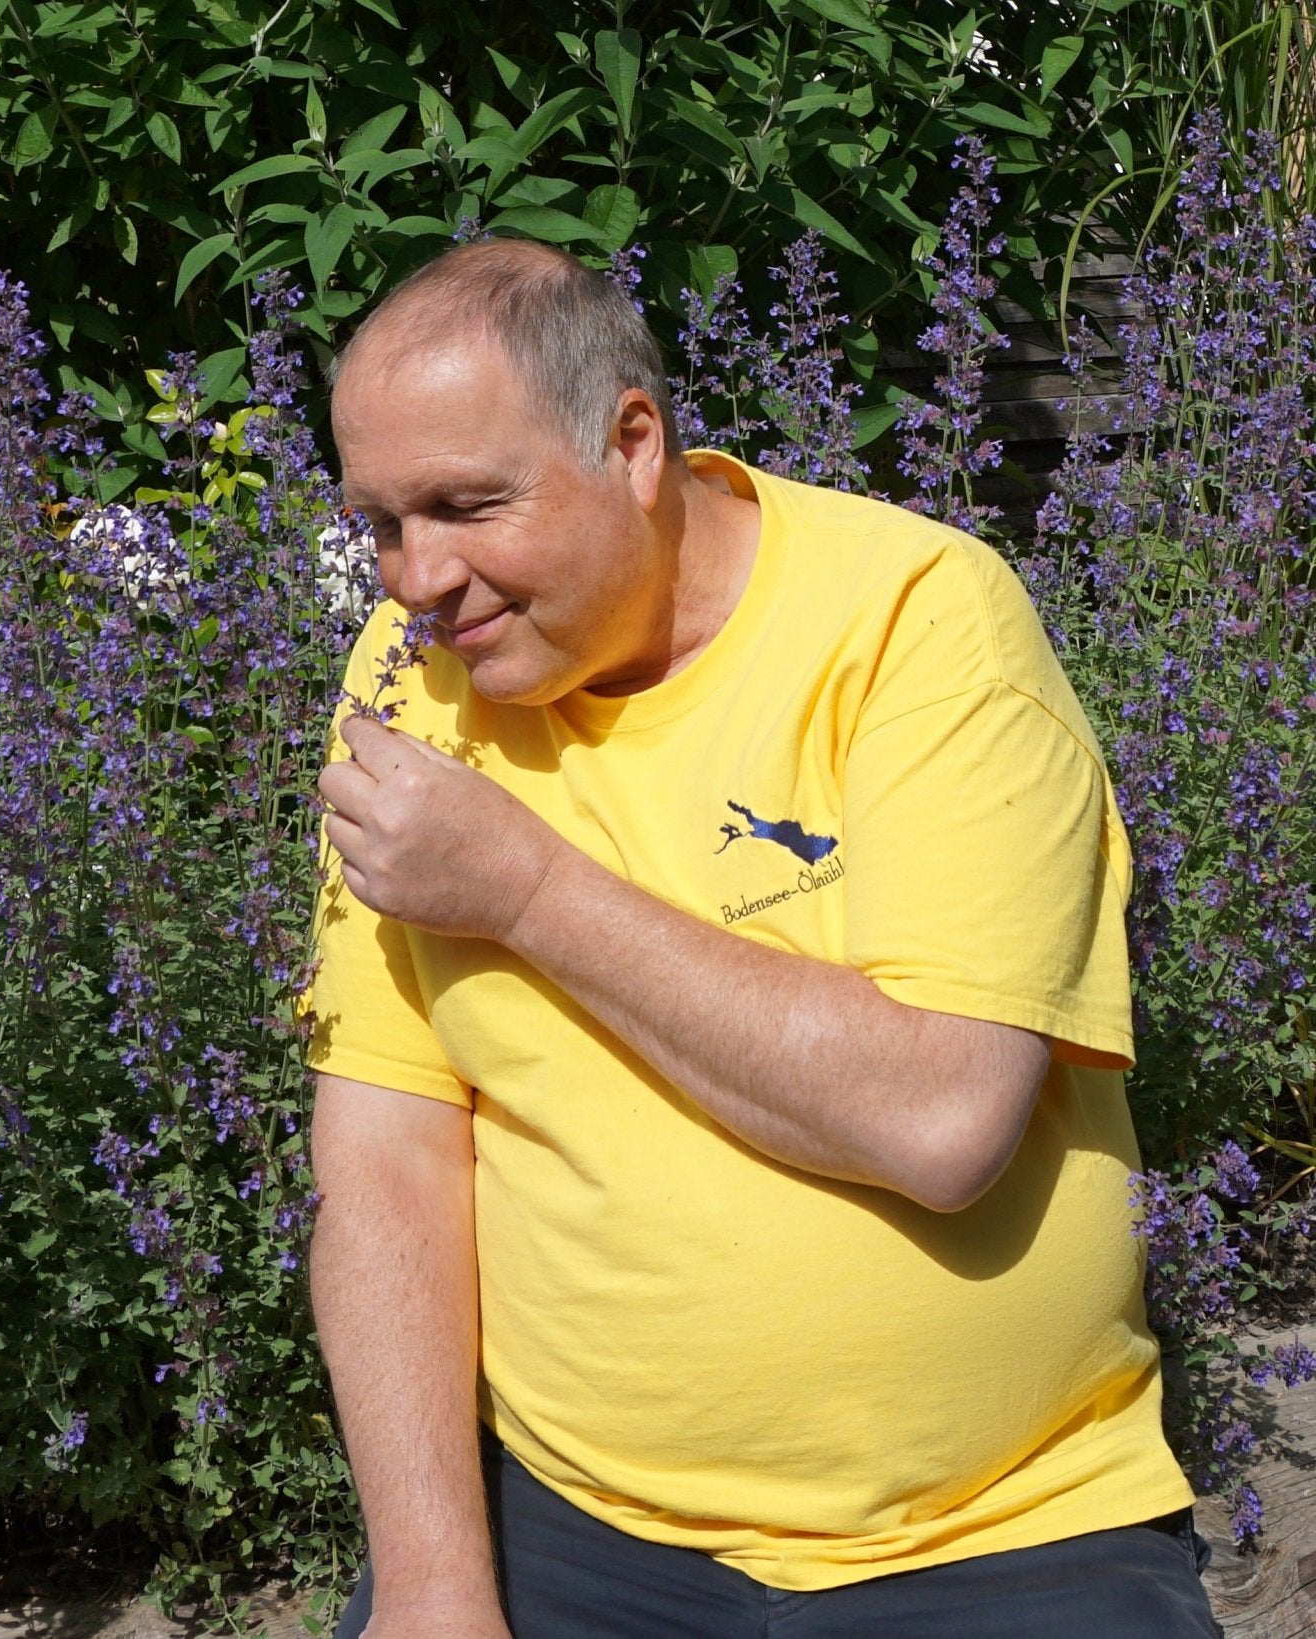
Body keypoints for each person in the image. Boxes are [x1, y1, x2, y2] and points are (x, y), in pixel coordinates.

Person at [303, 237, 1220, 1639]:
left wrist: (527, 894)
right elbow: (385, 1150)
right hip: (574, 1523)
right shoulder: (413, 686)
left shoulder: (915, 622)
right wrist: (433, 1584)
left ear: (631, 444)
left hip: (995, 1533)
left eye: (466, 506)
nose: (414, 579)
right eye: (378, 520)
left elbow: (944, 1117)